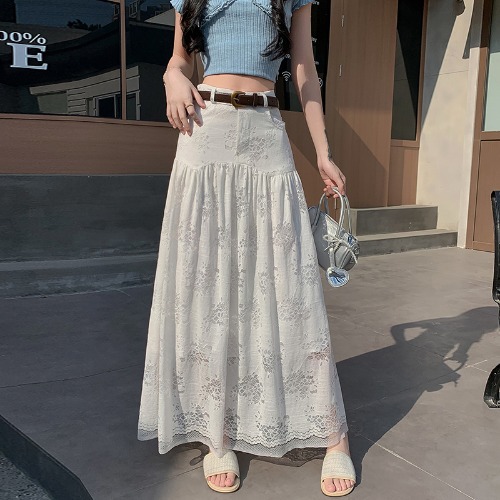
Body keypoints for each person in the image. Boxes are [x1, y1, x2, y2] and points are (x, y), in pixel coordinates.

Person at [137, 0, 356, 496]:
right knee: (207, 286)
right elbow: (180, 59)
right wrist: (171, 76)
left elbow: (305, 72)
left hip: (265, 132)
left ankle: (333, 434)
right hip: (204, 131)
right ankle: (217, 431)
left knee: (291, 285)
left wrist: (322, 151)